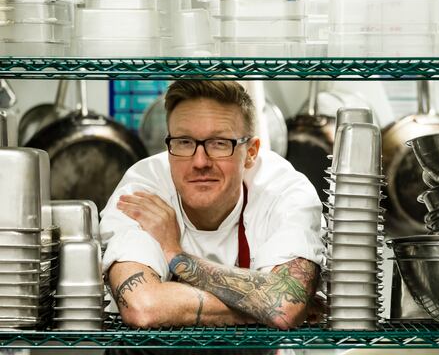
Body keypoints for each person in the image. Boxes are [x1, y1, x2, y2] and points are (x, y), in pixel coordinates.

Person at [99, 80, 325, 335]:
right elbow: (143, 307)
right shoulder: (142, 191)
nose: (200, 162)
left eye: (219, 143)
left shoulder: (284, 192)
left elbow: (285, 305)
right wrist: (263, 308)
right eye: (184, 142)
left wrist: (176, 256)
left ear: (251, 152)